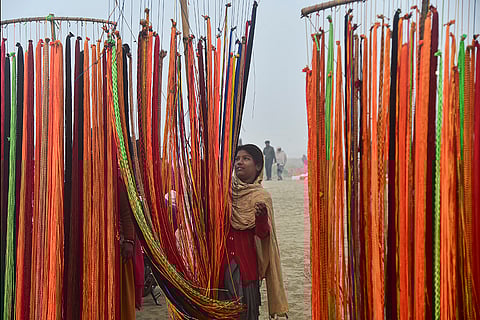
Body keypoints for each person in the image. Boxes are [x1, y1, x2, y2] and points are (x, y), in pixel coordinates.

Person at [221, 144, 288, 319]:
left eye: (246, 159)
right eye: (236, 159)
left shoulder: (261, 197)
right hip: (220, 267)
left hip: (245, 270)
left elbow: (264, 237)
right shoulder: (224, 192)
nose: (239, 163)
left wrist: (260, 217)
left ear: (258, 166)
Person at [118, 173, 144, 319]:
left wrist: (128, 240)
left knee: (122, 294)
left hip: (119, 248)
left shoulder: (119, 181)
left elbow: (127, 213)